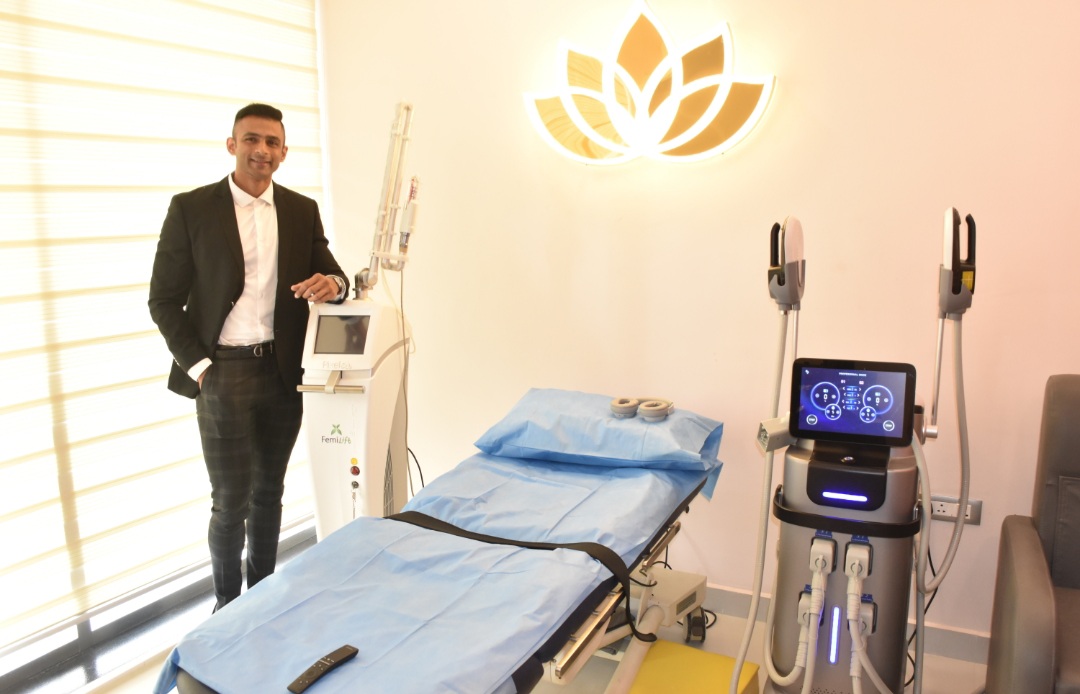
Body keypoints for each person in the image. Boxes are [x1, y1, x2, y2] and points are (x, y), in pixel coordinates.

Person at [148, 103, 348, 611]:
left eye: (272, 142)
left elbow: (333, 274)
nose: (262, 150)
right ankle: (226, 606)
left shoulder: (301, 210)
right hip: (222, 373)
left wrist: (335, 284)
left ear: (284, 152)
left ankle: (261, 600)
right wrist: (201, 368)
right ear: (232, 145)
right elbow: (163, 300)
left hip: (283, 373)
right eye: (252, 139)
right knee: (229, 501)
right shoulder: (192, 208)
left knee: (268, 493)